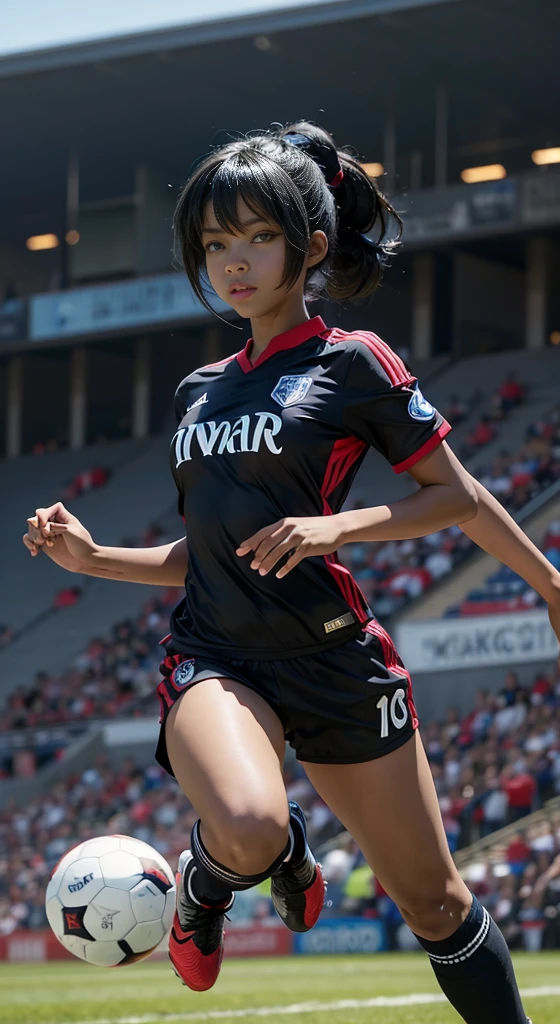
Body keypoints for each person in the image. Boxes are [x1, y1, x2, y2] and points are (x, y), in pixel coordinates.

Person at [22, 121, 558, 1022]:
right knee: (250, 825)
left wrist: (339, 527)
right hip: (217, 655)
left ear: (309, 247)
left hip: (338, 659)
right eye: (215, 244)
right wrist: (93, 558)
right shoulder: (199, 391)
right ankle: (209, 879)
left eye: (258, 238)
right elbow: (211, 553)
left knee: (436, 903)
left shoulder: (354, 363)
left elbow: (454, 498)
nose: (234, 262)